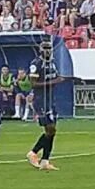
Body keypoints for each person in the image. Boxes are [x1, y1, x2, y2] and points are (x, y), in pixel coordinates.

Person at [27, 37, 64, 172]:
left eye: (50, 49)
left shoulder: (53, 63)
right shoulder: (36, 64)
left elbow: (55, 77)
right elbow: (33, 83)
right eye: (45, 49)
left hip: (50, 99)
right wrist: (53, 82)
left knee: (52, 130)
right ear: (40, 50)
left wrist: (59, 79)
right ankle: (33, 152)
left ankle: (45, 160)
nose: (48, 51)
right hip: (41, 100)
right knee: (50, 129)